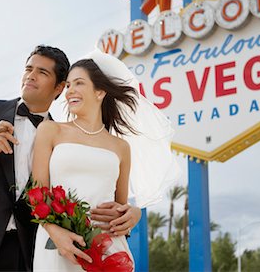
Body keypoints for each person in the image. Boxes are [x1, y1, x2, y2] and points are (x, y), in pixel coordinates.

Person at [0, 45, 142, 272]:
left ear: (58, 87)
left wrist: (133, 212)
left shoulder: (62, 138)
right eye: (28, 68)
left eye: (42, 72)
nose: (31, 75)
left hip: (28, 251)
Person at [31, 49, 181, 271]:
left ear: (100, 91)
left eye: (79, 83)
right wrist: (56, 233)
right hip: (58, 245)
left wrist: (134, 214)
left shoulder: (121, 147)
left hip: (108, 246)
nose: (70, 91)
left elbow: (121, 206)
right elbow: (38, 193)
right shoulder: (51, 130)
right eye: (69, 85)